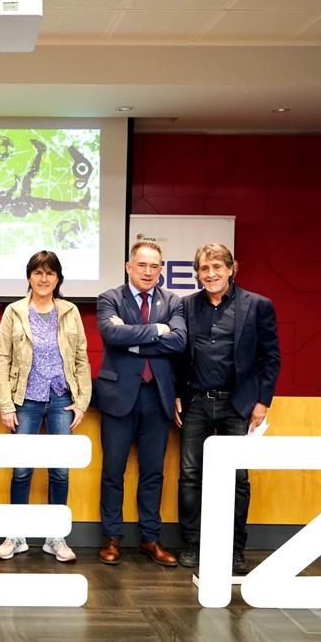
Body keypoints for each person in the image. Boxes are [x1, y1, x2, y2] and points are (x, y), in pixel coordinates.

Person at [174, 242, 281, 575]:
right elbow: (178, 355)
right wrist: (178, 393)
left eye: (217, 267)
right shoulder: (186, 306)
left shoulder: (259, 306)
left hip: (238, 405)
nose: (210, 274)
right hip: (196, 404)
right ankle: (192, 544)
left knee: (238, 480)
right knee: (190, 477)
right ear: (197, 274)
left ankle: (235, 550)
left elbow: (271, 357)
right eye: (204, 269)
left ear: (232, 269)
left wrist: (262, 401)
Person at [0, 250, 91, 563]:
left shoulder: (70, 311)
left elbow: (81, 357)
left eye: (50, 273)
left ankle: (55, 537)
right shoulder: (14, 312)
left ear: (58, 278)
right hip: (26, 401)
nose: (44, 278)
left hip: (62, 399)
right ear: (29, 277)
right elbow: (1, 358)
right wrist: (6, 405)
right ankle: (16, 535)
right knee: (22, 470)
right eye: (38, 273)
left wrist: (82, 402)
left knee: (60, 471)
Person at [94, 240, 187, 567]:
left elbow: (178, 342)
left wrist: (133, 339)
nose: (148, 271)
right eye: (142, 265)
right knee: (113, 472)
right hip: (119, 398)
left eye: (154, 266)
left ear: (161, 270)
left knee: (153, 472)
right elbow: (111, 336)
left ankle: (150, 538)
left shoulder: (173, 301)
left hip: (157, 397)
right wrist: (155, 332)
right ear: (128, 266)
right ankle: (112, 538)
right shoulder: (110, 298)